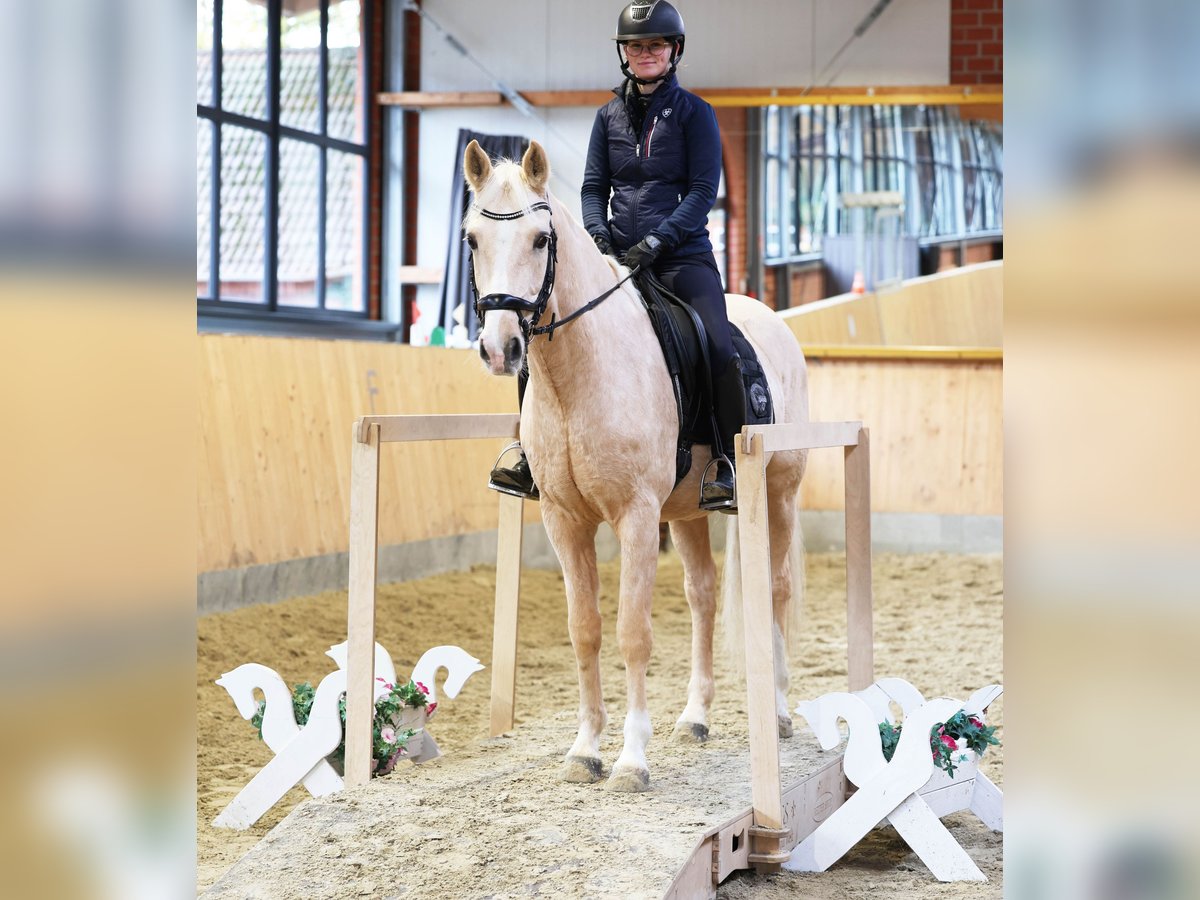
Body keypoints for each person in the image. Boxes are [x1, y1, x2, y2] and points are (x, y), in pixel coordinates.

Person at [489, 0, 745, 511]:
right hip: (618, 259)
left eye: (655, 45)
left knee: (718, 345)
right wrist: (599, 238)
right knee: (539, 334)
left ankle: (726, 461)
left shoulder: (696, 113)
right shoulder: (607, 117)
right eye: (635, 46)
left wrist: (660, 240)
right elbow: (592, 188)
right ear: (624, 54)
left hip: (681, 259)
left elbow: (701, 191)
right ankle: (529, 455)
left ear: (673, 50)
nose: (645, 53)